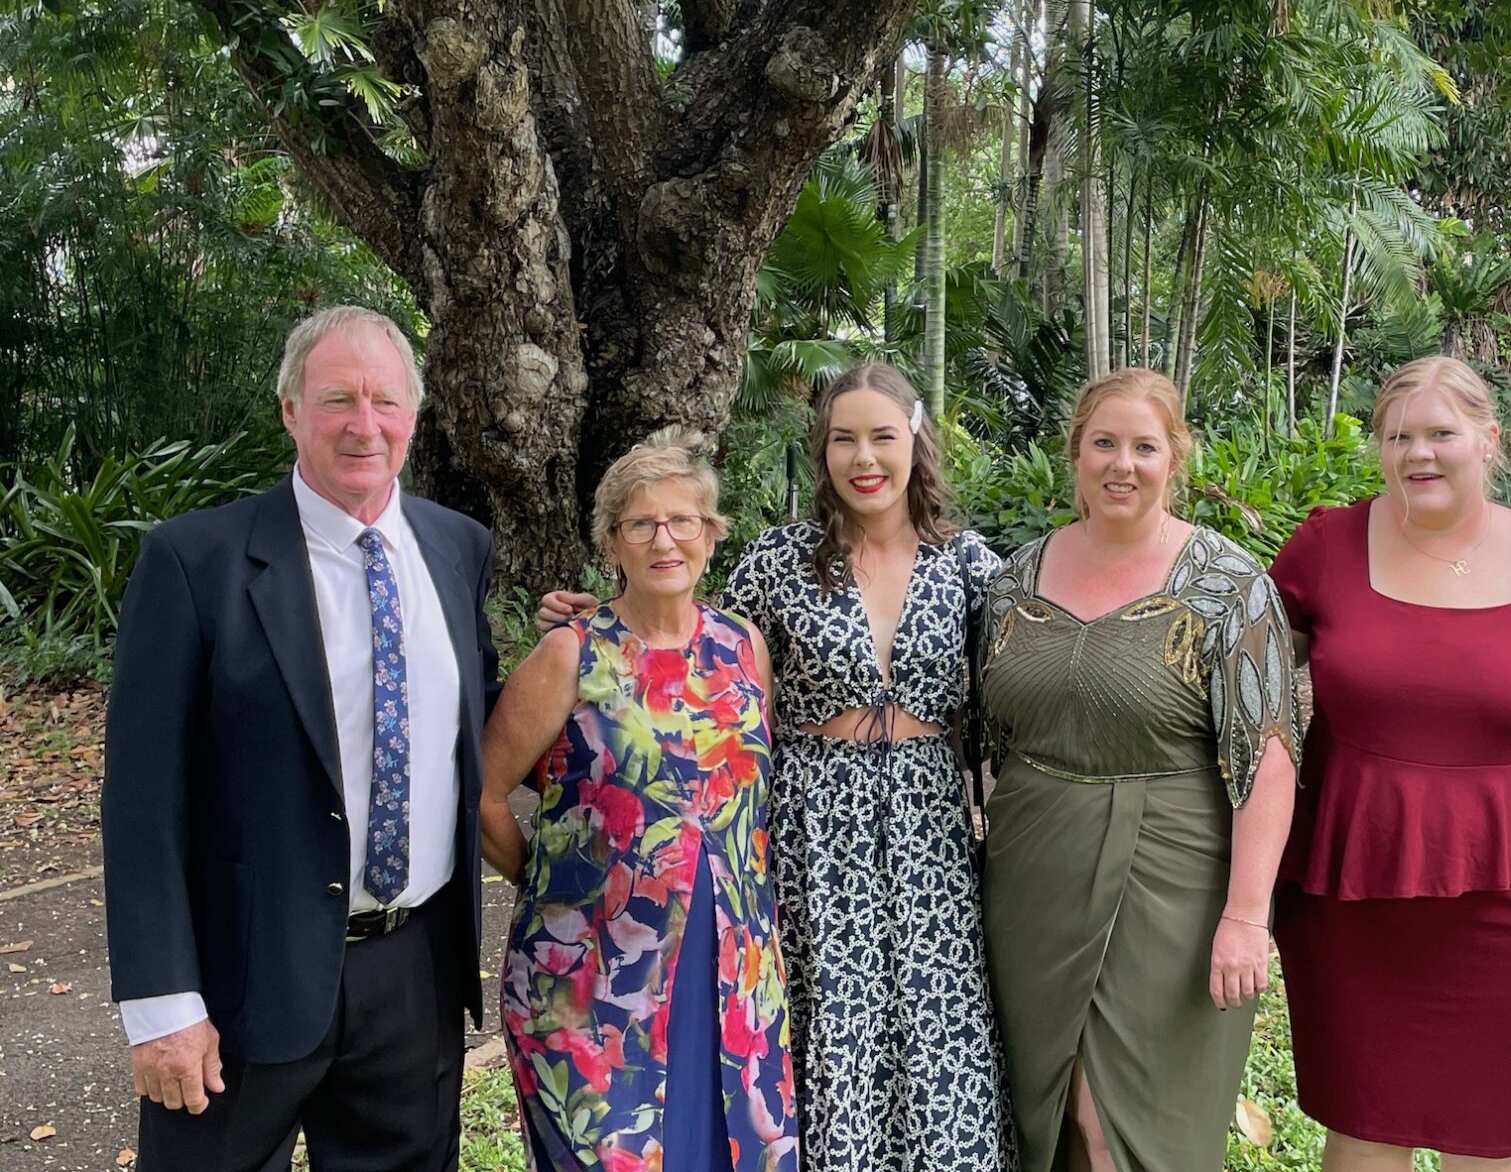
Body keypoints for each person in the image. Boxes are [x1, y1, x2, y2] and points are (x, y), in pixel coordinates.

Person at [537, 364, 1015, 1171]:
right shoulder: (782, 560)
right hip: (811, 825)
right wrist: (601, 613)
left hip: (930, 823)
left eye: (882, 436)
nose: (864, 457)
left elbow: (1028, 681)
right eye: (843, 439)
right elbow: (693, 641)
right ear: (822, 450)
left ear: (915, 441)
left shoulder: (971, 565)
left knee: (941, 1021)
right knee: (831, 1025)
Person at [101, 306, 499, 1171]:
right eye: (337, 401)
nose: (365, 425)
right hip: (243, 979)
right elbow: (142, 799)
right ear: (289, 410)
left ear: (413, 416)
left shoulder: (458, 548)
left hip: (413, 970)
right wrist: (163, 1001)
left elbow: (479, 722)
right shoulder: (193, 562)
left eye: (385, 401)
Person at [1265, 357, 1511, 1171]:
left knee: (1493, 1136)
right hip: (1350, 892)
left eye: (1442, 433)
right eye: (1399, 436)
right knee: (1363, 1130)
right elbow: (1237, 682)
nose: (1420, 453)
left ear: (1489, 440)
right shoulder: (1326, 546)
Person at [978, 366, 1304, 1172]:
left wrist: (1246, 916)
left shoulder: (1228, 585)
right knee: (1045, 1104)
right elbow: (984, 738)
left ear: (1175, 459)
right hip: (1032, 876)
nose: (1122, 464)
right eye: (1104, 444)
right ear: (1075, 455)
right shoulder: (1012, 578)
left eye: (1144, 447)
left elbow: (1267, 754)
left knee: (1121, 1116)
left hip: (1170, 879)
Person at [480, 431, 794, 1171]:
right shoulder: (571, 654)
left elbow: (746, 802)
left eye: (684, 520)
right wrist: (561, 892)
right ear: (611, 542)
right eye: (641, 523)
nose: (665, 539)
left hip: (733, 973)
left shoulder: (743, 646)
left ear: (712, 537)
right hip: (595, 985)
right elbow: (485, 796)